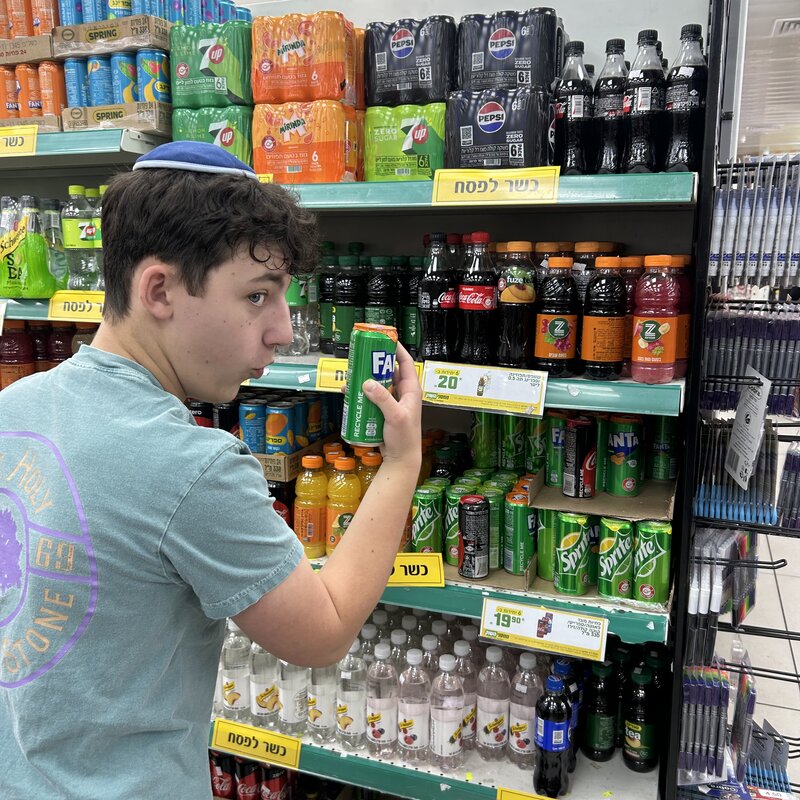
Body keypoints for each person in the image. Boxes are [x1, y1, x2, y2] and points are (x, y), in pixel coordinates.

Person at [0, 142, 422, 798]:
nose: (282, 331)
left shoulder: (16, 406)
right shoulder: (192, 467)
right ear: (160, 290)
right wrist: (401, 463)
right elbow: (326, 628)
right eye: (257, 296)